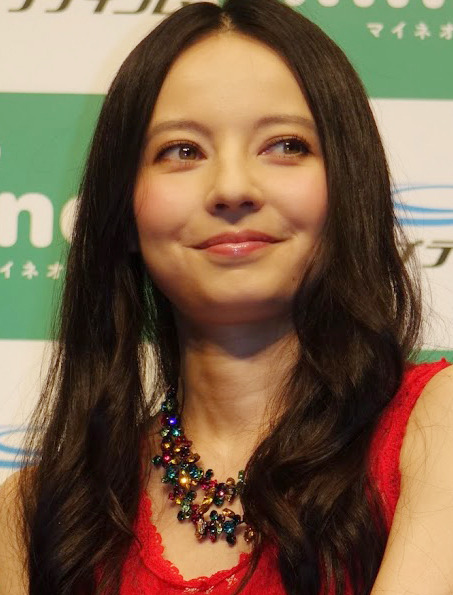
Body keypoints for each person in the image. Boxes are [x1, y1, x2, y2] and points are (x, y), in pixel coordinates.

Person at [1, 0, 453, 593]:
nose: (233, 188)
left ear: (348, 185)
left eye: (285, 145)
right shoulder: (37, 512)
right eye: (182, 151)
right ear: (123, 210)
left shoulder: (434, 427)